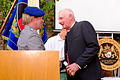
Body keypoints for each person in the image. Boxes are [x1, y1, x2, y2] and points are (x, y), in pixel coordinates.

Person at [58, 9, 103, 80]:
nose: (59, 22)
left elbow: (94, 47)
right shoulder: (68, 35)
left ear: (70, 16)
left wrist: (78, 64)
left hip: (89, 77)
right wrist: (61, 64)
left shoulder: (83, 25)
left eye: (61, 18)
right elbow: (70, 58)